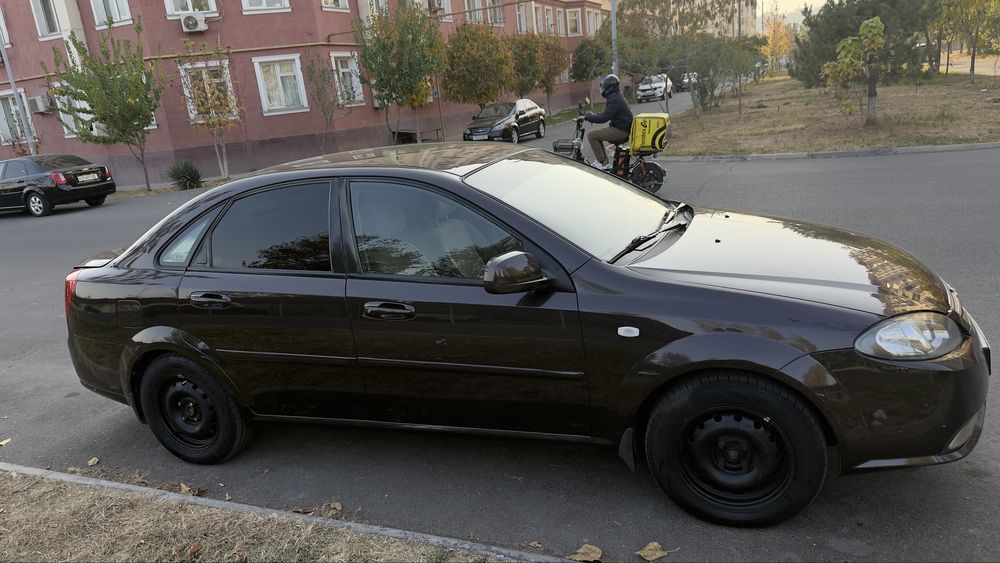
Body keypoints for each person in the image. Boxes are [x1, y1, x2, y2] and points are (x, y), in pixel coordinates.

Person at [578, 74, 633, 170]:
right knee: (597, 135)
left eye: (604, 88)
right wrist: (591, 116)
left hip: (620, 130)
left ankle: (602, 162)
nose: (602, 90)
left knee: (592, 135)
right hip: (621, 128)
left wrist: (586, 118)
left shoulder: (614, 99)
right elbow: (606, 113)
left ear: (610, 88)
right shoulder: (616, 96)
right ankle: (604, 162)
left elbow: (603, 118)